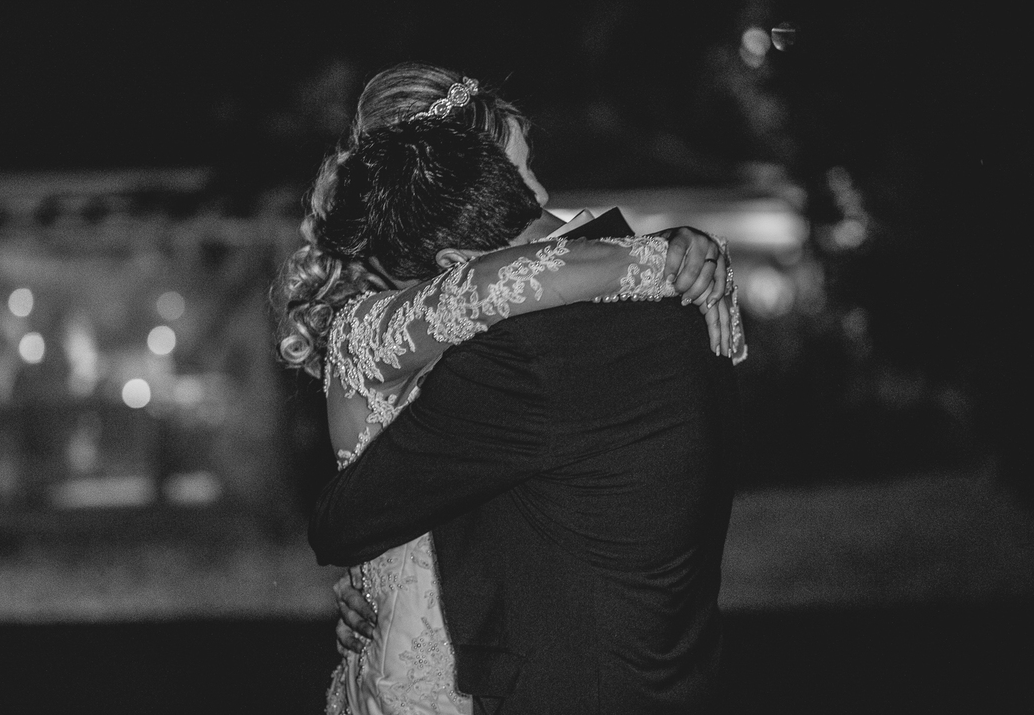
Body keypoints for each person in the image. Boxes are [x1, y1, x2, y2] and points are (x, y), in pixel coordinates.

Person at [278, 64, 743, 714]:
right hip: (442, 658)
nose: (537, 196)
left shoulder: (540, 335)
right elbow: (492, 286)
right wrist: (666, 253)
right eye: (517, 173)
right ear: (443, 186)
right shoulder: (376, 325)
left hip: (500, 641)